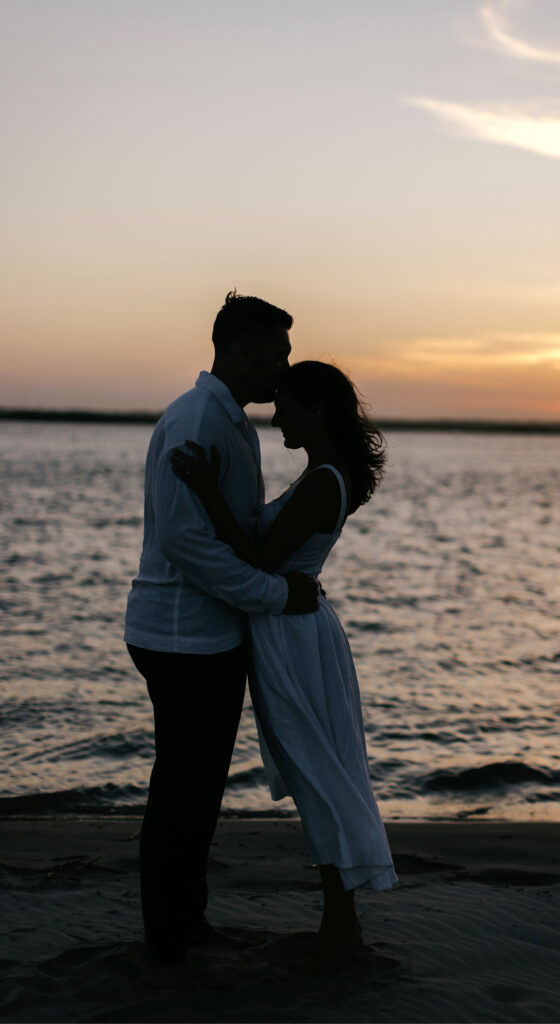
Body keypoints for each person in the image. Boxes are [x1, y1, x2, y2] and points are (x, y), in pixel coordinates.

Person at [170, 359, 398, 976]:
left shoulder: (326, 481)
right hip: (288, 631)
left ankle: (341, 928)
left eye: (288, 407)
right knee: (316, 773)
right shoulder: (319, 477)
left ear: (316, 411)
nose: (277, 418)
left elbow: (261, 558)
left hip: (296, 639)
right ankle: (339, 924)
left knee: (321, 773)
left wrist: (205, 491)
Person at [124, 291, 320, 987]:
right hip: (181, 637)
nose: (282, 368)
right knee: (182, 790)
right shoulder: (199, 418)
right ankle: (168, 942)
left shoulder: (229, 421)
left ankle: (186, 921)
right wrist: (272, 595)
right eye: (276, 354)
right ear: (240, 352)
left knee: (197, 789)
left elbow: (232, 524)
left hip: (205, 635)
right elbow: (184, 542)